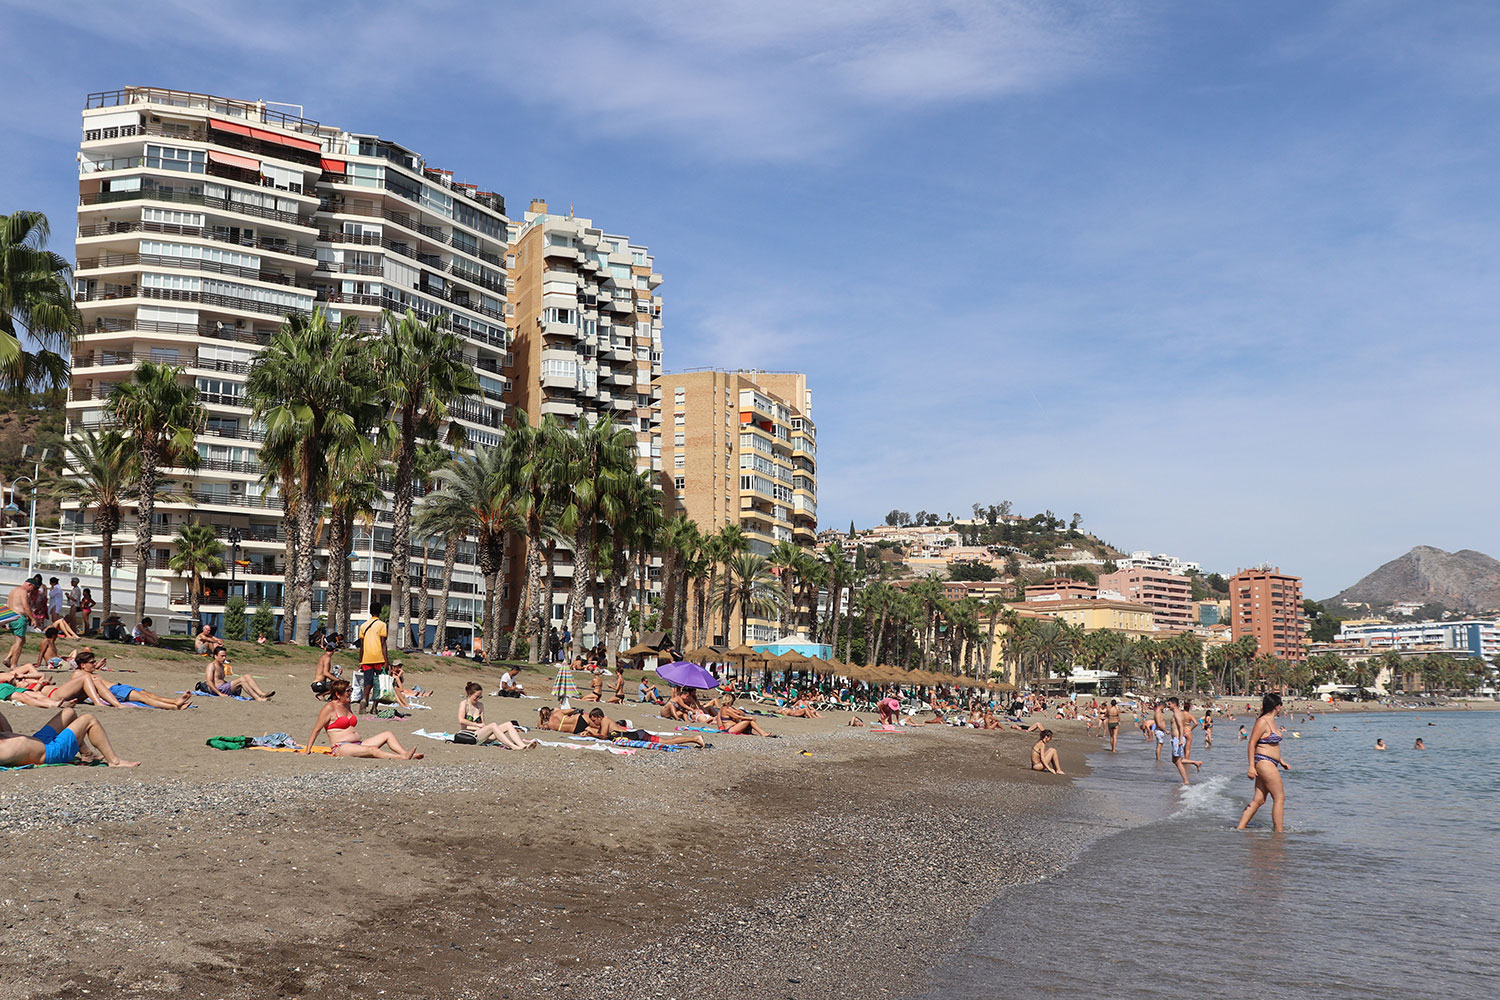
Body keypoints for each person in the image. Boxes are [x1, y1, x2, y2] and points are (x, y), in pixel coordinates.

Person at [300, 679, 422, 759]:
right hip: (341, 746)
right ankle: (401, 758)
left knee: (388, 734)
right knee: (373, 750)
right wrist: (307, 750)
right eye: (348, 691)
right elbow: (316, 730)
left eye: (351, 690)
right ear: (338, 694)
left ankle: (404, 753)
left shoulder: (347, 704)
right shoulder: (329, 708)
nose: (351, 693)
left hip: (357, 744)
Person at [0, 705, 139, 767]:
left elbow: (8, 730)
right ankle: (114, 761)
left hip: (40, 740)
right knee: (89, 719)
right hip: (51, 752)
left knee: (68, 712)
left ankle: (86, 753)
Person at [1236, 693, 1290, 832]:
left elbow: (1273, 746)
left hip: (1271, 762)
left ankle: (1240, 828)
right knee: (1279, 798)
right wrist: (1251, 767)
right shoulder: (1263, 721)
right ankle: (1279, 833)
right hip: (1264, 763)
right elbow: (1252, 743)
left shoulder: (1272, 721)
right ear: (1277, 706)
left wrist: (1282, 761)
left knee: (1259, 800)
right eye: (1280, 705)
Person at [458, 682, 537, 749]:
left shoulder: (480, 705)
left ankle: (522, 745)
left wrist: (482, 727)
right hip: (470, 735)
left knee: (508, 724)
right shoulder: (464, 704)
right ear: (469, 694)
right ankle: (513, 746)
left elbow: (483, 724)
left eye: (480, 697)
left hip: (482, 734)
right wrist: (476, 725)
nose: (478, 699)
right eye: (476, 697)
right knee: (493, 725)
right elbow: (461, 720)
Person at [203, 647, 273, 701]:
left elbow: (220, 679)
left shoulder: (222, 666)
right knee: (242, 681)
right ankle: (258, 699)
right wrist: (220, 694)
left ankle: (261, 694)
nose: (224, 658)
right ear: (215, 656)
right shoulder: (211, 666)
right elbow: (209, 682)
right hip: (217, 690)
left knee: (247, 676)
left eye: (225, 656)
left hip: (223, 687)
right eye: (222, 656)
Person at [2, 578, 43, 669]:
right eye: (33, 588)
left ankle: (8, 658)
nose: (32, 591)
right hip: (19, 617)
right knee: (19, 642)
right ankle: (14, 664)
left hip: (11, 617)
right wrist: (33, 619)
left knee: (22, 640)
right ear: (30, 585)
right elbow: (25, 607)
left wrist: (6, 621)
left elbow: (8, 605)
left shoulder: (13, 590)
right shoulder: (23, 591)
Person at [356, 600, 388, 716]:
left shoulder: (363, 626)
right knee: (378, 684)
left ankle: (364, 699)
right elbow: (383, 644)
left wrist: (360, 661)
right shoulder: (382, 625)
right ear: (380, 612)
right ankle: (374, 708)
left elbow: (362, 646)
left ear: (370, 612)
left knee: (368, 682)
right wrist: (386, 661)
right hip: (379, 658)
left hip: (366, 658)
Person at [1169, 698, 1204, 785]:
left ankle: (1186, 781)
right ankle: (1195, 762)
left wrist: (1180, 739)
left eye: (1169, 704)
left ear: (1174, 704)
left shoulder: (1177, 714)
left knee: (1177, 761)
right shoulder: (1179, 713)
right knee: (1175, 760)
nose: (1168, 706)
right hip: (1176, 739)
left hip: (1178, 739)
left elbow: (1181, 726)